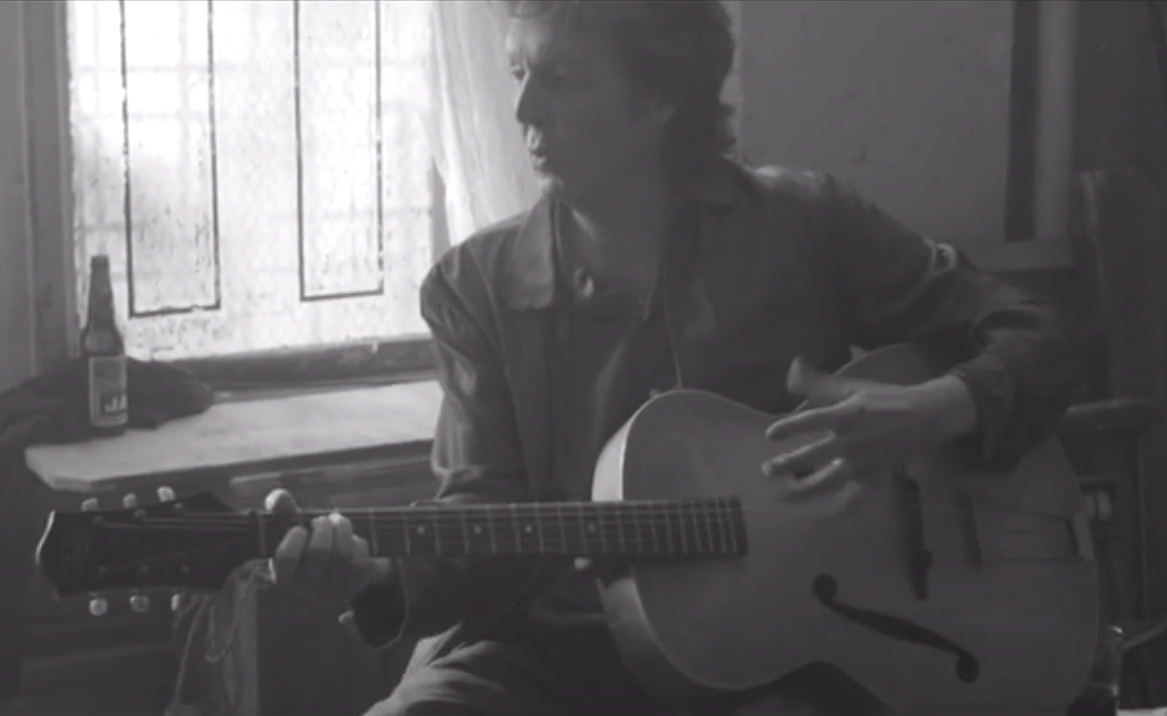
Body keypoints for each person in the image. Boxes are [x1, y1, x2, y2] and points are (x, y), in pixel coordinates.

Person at [266, 1, 1089, 714]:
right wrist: (375, 577)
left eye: (560, 78)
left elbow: (1045, 332)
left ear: (658, 97)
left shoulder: (802, 223)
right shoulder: (474, 286)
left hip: (789, 655)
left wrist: (935, 409)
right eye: (517, 71)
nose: (522, 108)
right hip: (551, 654)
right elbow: (481, 512)